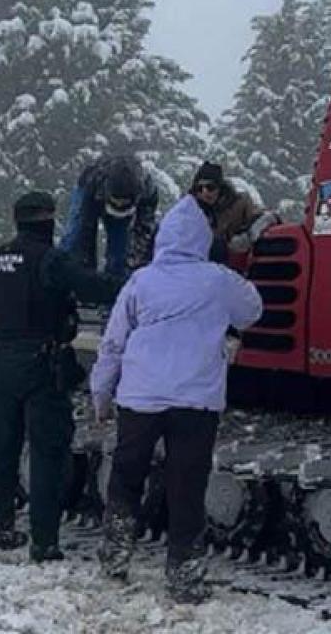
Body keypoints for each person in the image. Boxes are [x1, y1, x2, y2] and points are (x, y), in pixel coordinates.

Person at [91, 196, 262, 603]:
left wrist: (101, 392)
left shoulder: (141, 281)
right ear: (202, 240)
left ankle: (115, 554)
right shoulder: (218, 280)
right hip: (196, 403)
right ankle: (184, 576)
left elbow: (113, 343)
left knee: (127, 476)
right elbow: (252, 310)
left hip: (140, 398)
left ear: (163, 239)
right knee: (186, 486)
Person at [0, 191, 119, 561]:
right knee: (47, 452)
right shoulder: (51, 259)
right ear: (47, 220)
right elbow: (95, 288)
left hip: (0, 362)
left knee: (2, 448)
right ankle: (44, 540)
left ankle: (1, 525)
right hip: (41, 363)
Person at [60, 152, 159, 282]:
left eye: (123, 205)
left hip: (122, 206)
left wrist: (135, 261)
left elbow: (144, 231)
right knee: (74, 239)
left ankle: (118, 287)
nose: (118, 206)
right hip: (91, 194)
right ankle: (66, 279)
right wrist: (85, 274)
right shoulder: (92, 186)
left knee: (121, 252)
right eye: (116, 203)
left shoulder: (148, 192)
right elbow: (85, 231)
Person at [188, 161, 270, 264]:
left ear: (220, 187)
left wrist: (248, 236)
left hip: (239, 265)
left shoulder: (240, 203)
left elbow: (264, 219)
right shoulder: (192, 212)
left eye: (210, 187)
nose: (205, 192)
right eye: (199, 188)